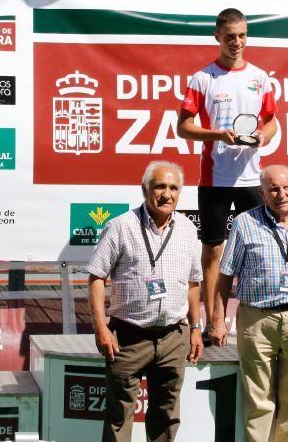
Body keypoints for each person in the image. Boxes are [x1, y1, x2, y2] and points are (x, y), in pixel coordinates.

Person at [210, 165, 288, 442]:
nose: (281, 194)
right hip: (257, 320)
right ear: (262, 193)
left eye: (286, 187)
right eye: (273, 189)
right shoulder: (244, 223)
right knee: (258, 399)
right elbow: (226, 275)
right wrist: (218, 319)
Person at [177, 8, 278, 341]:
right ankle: (214, 320)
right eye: (230, 36)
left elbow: (272, 121)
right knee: (214, 251)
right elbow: (184, 128)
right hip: (215, 179)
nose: (237, 42)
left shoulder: (260, 77)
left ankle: (254, 317)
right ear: (217, 37)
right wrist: (217, 135)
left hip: (252, 178)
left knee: (256, 248)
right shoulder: (203, 78)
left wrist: (264, 136)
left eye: (242, 36)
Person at [87, 161, 204, 442]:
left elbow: (192, 283)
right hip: (128, 337)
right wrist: (101, 328)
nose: (167, 194)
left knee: (166, 415)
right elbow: (95, 278)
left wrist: (196, 327)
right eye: (160, 186)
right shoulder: (120, 227)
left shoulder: (188, 229)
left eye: (173, 187)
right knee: (119, 417)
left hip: (174, 336)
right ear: (145, 190)